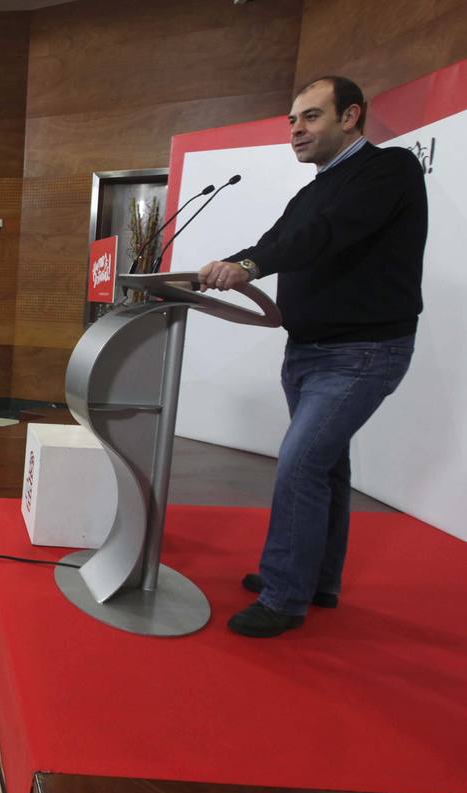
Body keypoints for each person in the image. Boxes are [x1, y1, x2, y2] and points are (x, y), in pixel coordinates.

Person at [196, 76, 427, 638]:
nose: (297, 130)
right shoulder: (312, 188)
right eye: (293, 120)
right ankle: (318, 579)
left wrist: (249, 269)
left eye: (311, 117)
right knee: (327, 467)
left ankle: (285, 597)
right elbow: (280, 238)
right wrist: (229, 262)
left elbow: (325, 236)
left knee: (300, 464)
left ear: (350, 117)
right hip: (307, 351)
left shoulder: (387, 170)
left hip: (363, 352)